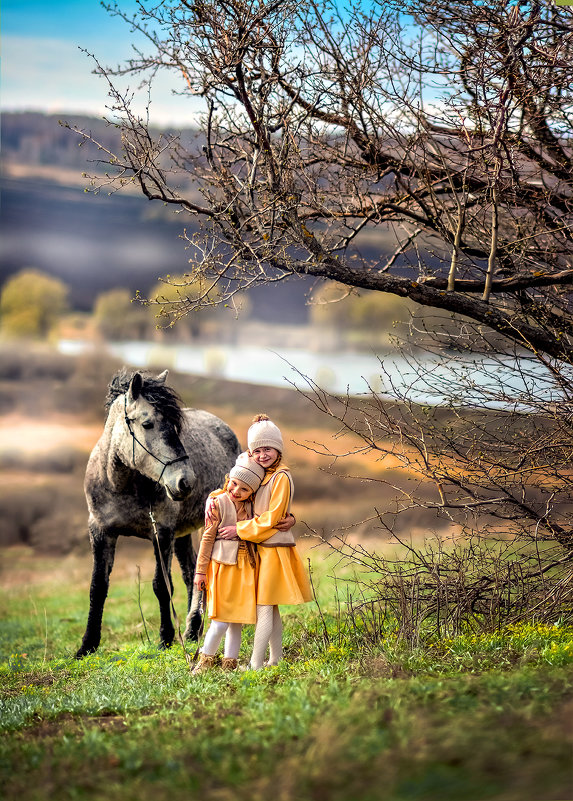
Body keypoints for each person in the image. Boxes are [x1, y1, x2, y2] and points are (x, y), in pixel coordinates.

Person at [217, 414, 312, 669]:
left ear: (278, 449)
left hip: (274, 549)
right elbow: (236, 482)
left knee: (263, 609)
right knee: (272, 608)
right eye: (256, 450)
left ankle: (256, 664)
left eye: (267, 449)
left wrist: (240, 529)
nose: (262, 455)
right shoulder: (263, 473)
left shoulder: (281, 476)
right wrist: (213, 499)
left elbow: (272, 517)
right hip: (263, 548)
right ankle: (275, 658)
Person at [192, 451, 266, 673]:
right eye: (233, 484)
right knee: (221, 621)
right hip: (223, 566)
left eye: (244, 489)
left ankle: (229, 665)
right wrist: (200, 572)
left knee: (237, 621)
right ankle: (205, 662)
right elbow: (207, 537)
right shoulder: (217, 502)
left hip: (246, 567)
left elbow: (261, 526)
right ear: (228, 479)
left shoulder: (252, 507)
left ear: (252, 492)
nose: (236, 491)